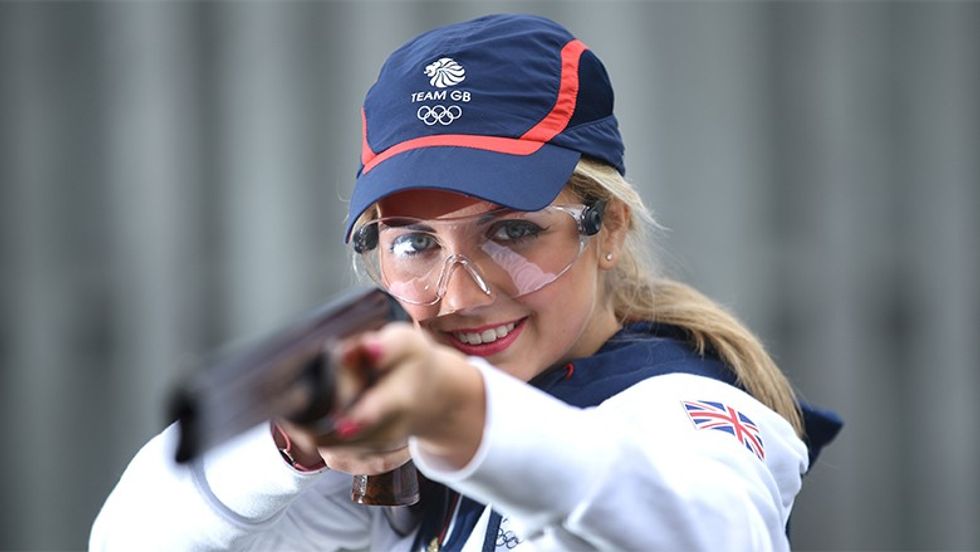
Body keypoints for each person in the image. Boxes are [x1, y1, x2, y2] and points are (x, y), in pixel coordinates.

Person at [90, 13, 841, 551]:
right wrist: (292, 446)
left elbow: (708, 530)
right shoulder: (403, 461)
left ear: (606, 228)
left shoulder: (684, 405)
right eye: (414, 243)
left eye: (512, 231)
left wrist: (464, 415)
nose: (462, 293)